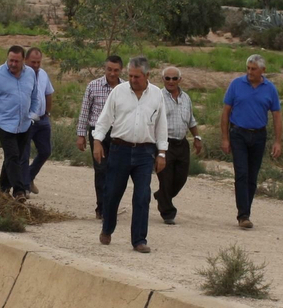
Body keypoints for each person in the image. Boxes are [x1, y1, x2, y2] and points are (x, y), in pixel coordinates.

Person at [92, 56, 167, 253]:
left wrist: (162, 153)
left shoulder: (157, 95)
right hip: (119, 149)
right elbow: (104, 119)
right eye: (131, 76)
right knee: (113, 193)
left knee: (142, 196)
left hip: (145, 152)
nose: (133, 80)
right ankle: (107, 228)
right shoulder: (118, 92)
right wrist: (97, 141)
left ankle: (139, 240)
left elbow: (161, 126)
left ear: (147, 75)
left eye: (137, 76)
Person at [220, 53, 283, 229]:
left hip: (259, 136)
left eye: (253, 69)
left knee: (252, 176)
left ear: (263, 70)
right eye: (248, 68)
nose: (250, 72)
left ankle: (246, 210)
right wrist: (225, 138)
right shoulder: (236, 85)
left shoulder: (270, 89)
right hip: (238, 134)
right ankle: (243, 215)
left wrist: (278, 141)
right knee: (241, 173)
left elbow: (277, 116)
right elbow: (226, 112)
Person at [0, 45, 44, 200]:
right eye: (11, 60)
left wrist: (33, 116)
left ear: (23, 60)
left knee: (14, 157)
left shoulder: (30, 74)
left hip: (24, 124)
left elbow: (35, 97)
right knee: (13, 156)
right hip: (3, 123)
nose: (13, 64)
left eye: (17, 61)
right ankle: (19, 190)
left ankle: (2, 189)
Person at [0, 46, 54, 195]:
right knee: (21, 155)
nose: (36, 65)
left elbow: (48, 93)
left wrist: (47, 112)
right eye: (33, 62)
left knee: (46, 151)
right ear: (25, 61)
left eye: (38, 62)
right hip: (25, 121)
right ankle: (21, 188)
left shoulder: (43, 74)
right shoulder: (18, 75)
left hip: (42, 120)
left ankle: (28, 178)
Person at [75, 54, 123, 217]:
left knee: (116, 171)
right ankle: (101, 207)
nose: (112, 73)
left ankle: (112, 205)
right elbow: (84, 111)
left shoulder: (125, 88)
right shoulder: (93, 86)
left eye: (116, 70)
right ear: (105, 69)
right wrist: (81, 135)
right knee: (101, 169)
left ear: (120, 70)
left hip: (118, 133)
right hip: (97, 133)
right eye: (109, 69)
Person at [153, 66, 202, 224]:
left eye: (174, 78)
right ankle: (168, 212)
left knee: (181, 178)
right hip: (164, 143)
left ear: (180, 80)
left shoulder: (186, 97)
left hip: (182, 143)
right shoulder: (157, 97)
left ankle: (162, 196)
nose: (171, 81)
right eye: (167, 78)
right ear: (163, 80)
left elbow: (191, 120)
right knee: (166, 179)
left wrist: (197, 136)